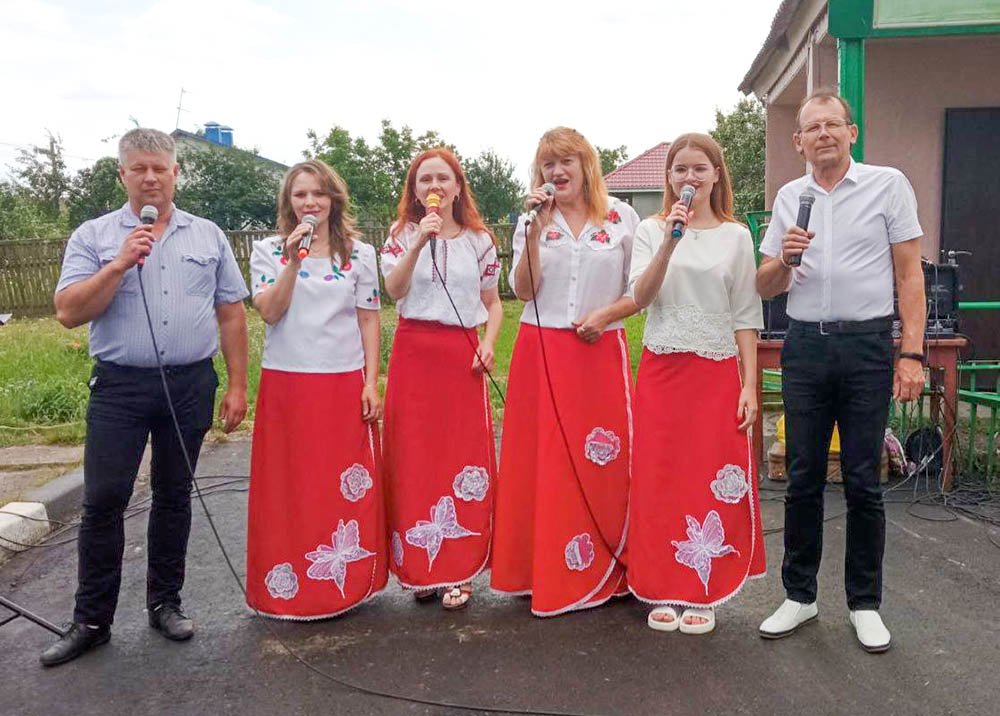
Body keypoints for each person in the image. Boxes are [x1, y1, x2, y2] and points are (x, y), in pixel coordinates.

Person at [43, 128, 249, 666]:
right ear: (123, 175)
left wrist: (238, 385)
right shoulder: (93, 235)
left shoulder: (207, 235)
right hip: (120, 387)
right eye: (139, 168)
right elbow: (68, 312)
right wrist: (117, 264)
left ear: (176, 173)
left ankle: (165, 603)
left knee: (174, 495)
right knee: (103, 500)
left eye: (160, 168)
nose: (151, 178)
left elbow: (231, 312)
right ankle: (91, 620)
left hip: (189, 383)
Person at [756, 89, 926, 653]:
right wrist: (785, 258)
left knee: (862, 478)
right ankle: (799, 596)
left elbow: (910, 275)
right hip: (805, 345)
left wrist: (911, 353)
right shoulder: (790, 197)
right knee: (802, 475)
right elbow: (765, 286)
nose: (823, 134)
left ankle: (864, 603)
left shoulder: (887, 185)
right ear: (798, 141)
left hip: (866, 345)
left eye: (833, 124)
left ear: (852, 133)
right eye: (813, 127)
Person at [491, 127, 639, 616]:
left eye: (566, 162)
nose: (557, 172)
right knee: (542, 462)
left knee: (602, 460)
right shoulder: (532, 220)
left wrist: (606, 315)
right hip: (541, 349)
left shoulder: (621, 217)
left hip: (599, 348)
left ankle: (607, 565)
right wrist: (533, 233)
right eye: (548, 164)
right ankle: (541, 569)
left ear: (585, 165)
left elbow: (639, 289)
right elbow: (523, 291)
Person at [626, 133, 765, 634]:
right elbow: (640, 297)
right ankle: (662, 583)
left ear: (716, 175)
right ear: (669, 177)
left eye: (700, 168)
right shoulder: (650, 230)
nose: (690, 177)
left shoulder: (737, 236)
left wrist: (749, 385)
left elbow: (746, 315)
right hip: (662, 369)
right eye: (681, 169)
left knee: (708, 468)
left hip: (717, 371)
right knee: (660, 473)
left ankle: (703, 587)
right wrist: (670, 241)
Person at [245, 160, 387, 619]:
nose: (310, 202)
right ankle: (291, 588)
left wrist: (371, 382)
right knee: (292, 485)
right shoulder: (268, 251)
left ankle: (345, 584)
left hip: (343, 381)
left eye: (319, 193)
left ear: (333, 200)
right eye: (301, 194)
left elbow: (368, 320)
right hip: (287, 382)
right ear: (289, 202)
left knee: (340, 484)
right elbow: (270, 311)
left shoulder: (360, 254)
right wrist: (293, 260)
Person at [379, 148, 502, 610]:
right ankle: (420, 568)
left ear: (457, 186)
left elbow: (493, 303)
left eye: (443, 178)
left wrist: (489, 342)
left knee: (461, 456)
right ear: (415, 190)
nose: (434, 186)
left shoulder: (479, 240)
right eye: (424, 179)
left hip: (461, 356)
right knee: (414, 457)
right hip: (414, 354)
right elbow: (394, 290)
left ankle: (460, 567)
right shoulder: (400, 236)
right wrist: (417, 243)